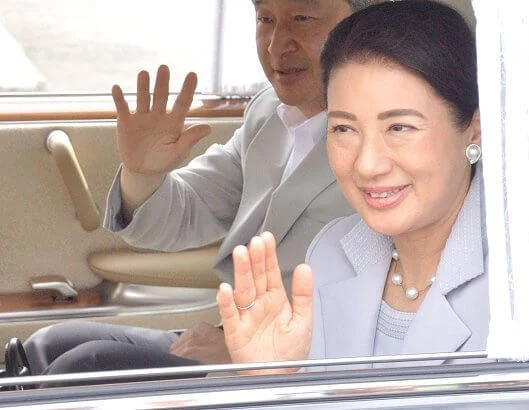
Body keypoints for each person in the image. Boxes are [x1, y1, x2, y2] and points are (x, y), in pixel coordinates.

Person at [22, 0, 379, 376]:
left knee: (84, 367)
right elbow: (187, 213)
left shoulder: (385, 151)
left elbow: (385, 313)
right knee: (45, 345)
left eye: (302, 19)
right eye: (265, 20)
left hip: (298, 364)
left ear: (367, 23)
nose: (276, 45)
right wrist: (143, 173)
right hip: (239, 335)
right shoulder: (268, 114)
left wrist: (250, 355)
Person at [217, 0, 488, 373]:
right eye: (344, 129)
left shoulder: (527, 281)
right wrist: (275, 380)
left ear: (474, 129)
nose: (367, 165)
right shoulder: (329, 255)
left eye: (399, 127)